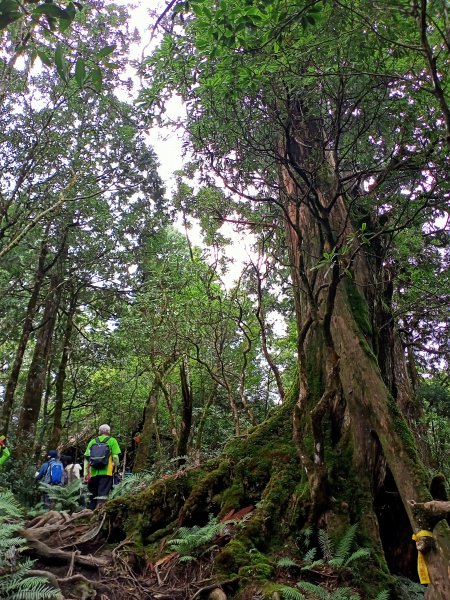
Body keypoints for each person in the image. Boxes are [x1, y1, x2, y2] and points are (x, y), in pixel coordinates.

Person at [84, 424, 121, 510]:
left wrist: (86, 473)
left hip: (93, 472)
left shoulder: (93, 441)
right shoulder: (112, 441)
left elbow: (86, 458)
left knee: (93, 494)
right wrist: (116, 466)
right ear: (109, 432)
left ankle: (90, 511)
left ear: (99, 432)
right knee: (103, 494)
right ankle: (99, 512)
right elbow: (115, 457)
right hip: (106, 472)